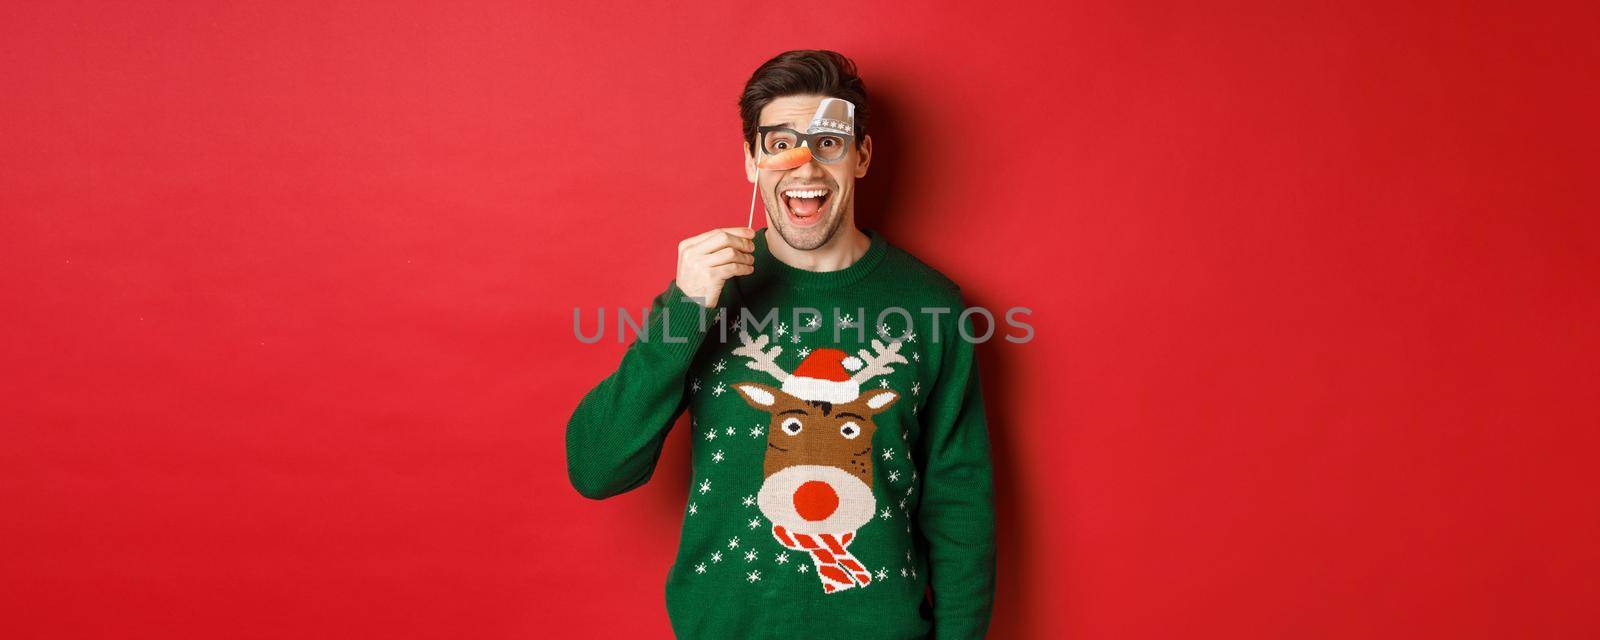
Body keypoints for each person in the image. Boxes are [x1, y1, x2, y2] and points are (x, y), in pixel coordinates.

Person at [566, 49, 996, 639]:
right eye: (781, 143)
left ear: (861, 156)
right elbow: (596, 468)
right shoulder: (705, 296)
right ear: (751, 161)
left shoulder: (933, 306)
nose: (806, 168)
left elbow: (960, 504)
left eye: (828, 143)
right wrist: (684, 309)